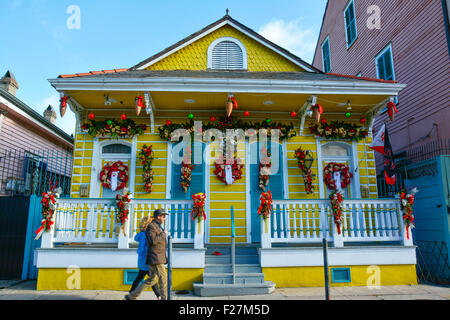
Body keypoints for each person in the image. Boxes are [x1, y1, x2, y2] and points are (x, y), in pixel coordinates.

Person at [125, 209, 169, 300]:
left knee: (151, 280)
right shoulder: (152, 226)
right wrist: (164, 234)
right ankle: (164, 298)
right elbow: (153, 241)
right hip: (156, 257)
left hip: (158, 256)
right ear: (158, 216)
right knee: (163, 278)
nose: (164, 218)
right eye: (163, 216)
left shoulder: (158, 226)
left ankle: (132, 296)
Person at [129, 216, 161, 300]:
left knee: (139, 278)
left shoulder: (141, 234)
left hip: (141, 260)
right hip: (149, 260)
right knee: (152, 280)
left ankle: (131, 292)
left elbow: (136, 238)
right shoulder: (149, 234)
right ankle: (159, 296)